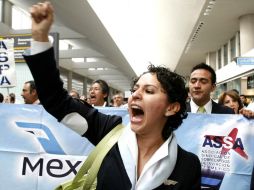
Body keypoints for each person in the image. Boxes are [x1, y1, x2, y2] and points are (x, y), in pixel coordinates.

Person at [23, 2, 201, 189]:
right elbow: (56, 101)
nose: (136, 96)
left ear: (172, 107)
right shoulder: (109, 132)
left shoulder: (188, 166)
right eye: (135, 90)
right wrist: (40, 37)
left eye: (148, 91)